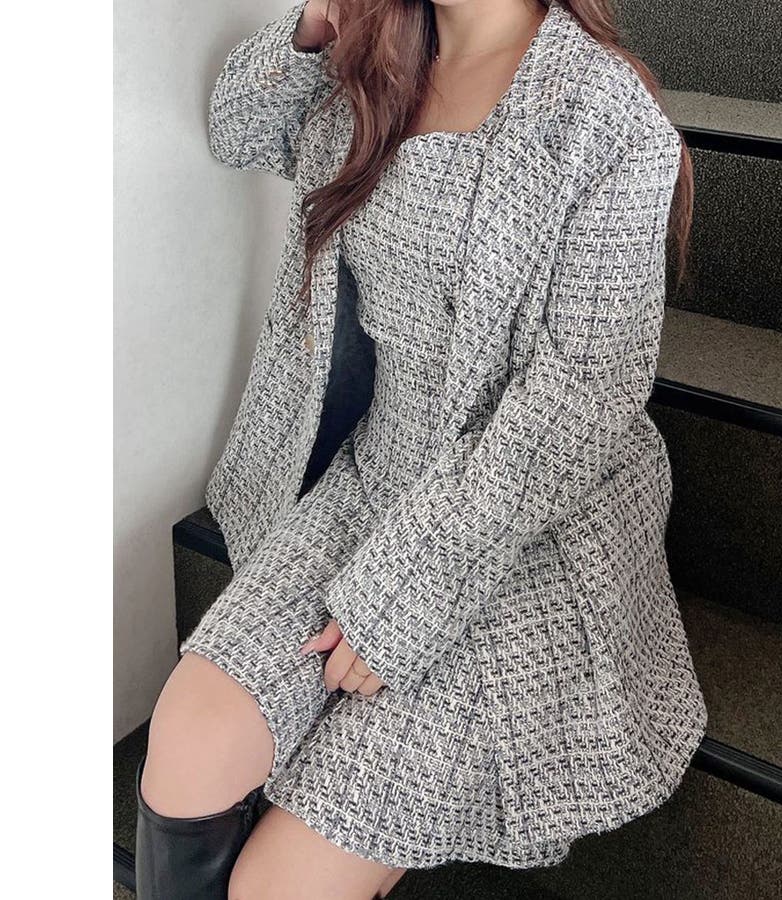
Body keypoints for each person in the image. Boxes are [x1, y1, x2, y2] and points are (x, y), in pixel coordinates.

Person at [134, 1, 708, 897]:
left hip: (533, 527)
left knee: (277, 885)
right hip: (378, 470)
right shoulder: (373, 60)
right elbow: (236, 125)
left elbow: (581, 400)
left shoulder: (603, 115)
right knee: (189, 740)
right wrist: (317, 21)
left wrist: (402, 599)